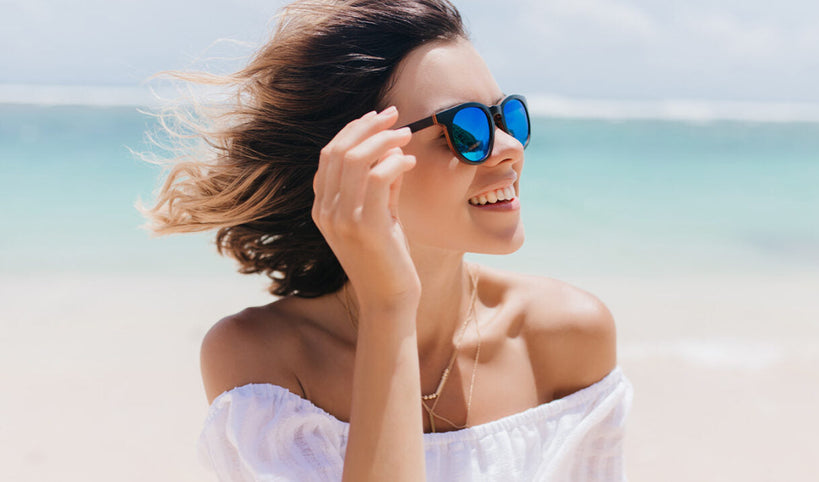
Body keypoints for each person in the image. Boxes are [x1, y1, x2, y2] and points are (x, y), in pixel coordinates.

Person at [141, 0, 633, 480]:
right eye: (463, 130)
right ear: (355, 162)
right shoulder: (266, 362)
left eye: (507, 117)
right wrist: (390, 305)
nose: (508, 149)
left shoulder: (566, 335)